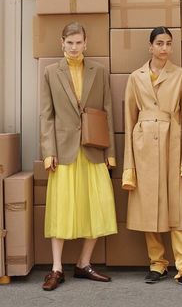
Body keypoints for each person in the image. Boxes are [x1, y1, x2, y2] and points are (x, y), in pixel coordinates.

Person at [122, 26, 182, 291]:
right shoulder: (135, 78)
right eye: (159, 43)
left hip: (172, 142)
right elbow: (128, 120)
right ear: (150, 46)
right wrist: (129, 166)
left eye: (168, 43)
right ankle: (157, 262)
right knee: (150, 205)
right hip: (143, 144)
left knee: (178, 206)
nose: (164, 48)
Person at [40, 22, 117, 291]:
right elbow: (46, 115)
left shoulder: (99, 71)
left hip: (93, 150)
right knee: (61, 209)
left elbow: (107, 112)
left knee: (99, 207)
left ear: (86, 43)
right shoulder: (50, 72)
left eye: (78, 42)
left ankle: (84, 263)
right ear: (62, 43)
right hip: (63, 152)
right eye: (69, 42)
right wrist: (48, 152)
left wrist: (111, 153)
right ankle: (56, 268)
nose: (74, 47)